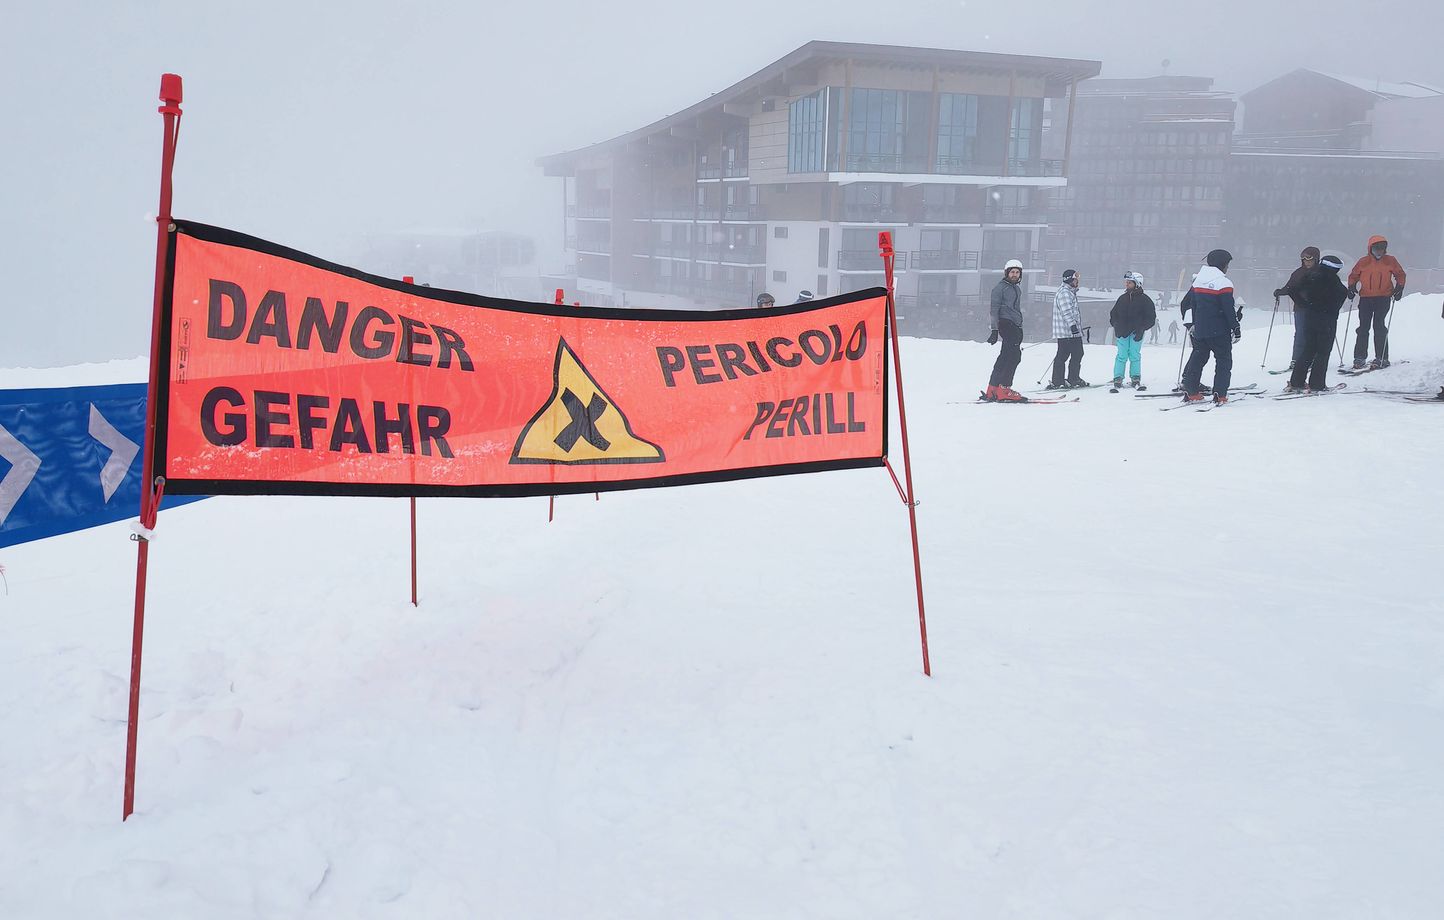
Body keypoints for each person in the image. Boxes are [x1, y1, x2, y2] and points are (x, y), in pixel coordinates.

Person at [1179, 250, 1241, 404]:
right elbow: (1228, 308)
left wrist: (1194, 324)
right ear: (1223, 264)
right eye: (1228, 264)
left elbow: (1192, 305)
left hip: (1200, 329)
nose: (1228, 267)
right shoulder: (1224, 283)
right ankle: (1220, 393)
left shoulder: (1198, 281)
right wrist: (1236, 327)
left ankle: (1191, 390)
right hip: (1219, 330)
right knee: (1223, 361)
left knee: (1198, 358)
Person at [1286, 255, 1348, 393]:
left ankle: (1296, 382)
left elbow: (1292, 290)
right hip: (1327, 321)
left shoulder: (1310, 277)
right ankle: (1317, 384)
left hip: (1310, 318)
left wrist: (1305, 305)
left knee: (1308, 350)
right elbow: (1343, 295)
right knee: (1323, 353)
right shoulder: (1335, 282)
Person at [1347, 235, 1406, 369]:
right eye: (1376, 248)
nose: (1379, 251)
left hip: (1383, 297)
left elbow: (1400, 274)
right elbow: (1354, 275)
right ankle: (1359, 357)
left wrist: (1399, 288)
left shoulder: (1390, 260)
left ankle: (1382, 357)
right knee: (1363, 328)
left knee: (1379, 326)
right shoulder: (1363, 262)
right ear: (1370, 248)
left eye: (1382, 248)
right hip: (1366, 298)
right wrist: (1351, 287)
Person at [983, 259, 1027, 402]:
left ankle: (993, 389)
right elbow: (993, 310)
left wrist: (1019, 325)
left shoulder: (1016, 288)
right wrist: (994, 330)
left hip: (1014, 325)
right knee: (1013, 357)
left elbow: (1016, 309)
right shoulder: (1000, 288)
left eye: (1017, 272)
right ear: (1007, 273)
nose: (1014, 275)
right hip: (1005, 324)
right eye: (1012, 272)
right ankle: (1004, 389)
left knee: (1004, 357)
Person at [1272, 246, 1320, 371]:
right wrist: (1280, 292)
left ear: (1316, 259)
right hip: (1301, 308)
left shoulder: (1321, 272)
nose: (1307, 262)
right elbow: (1289, 287)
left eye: (1310, 260)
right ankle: (1296, 360)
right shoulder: (1298, 273)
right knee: (1300, 334)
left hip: (1317, 310)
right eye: (1304, 260)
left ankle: (1312, 359)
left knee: (1314, 334)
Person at [1109, 271, 1156, 390]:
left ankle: (1135, 377)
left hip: (1136, 332)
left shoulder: (1145, 300)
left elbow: (1151, 318)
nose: (1127, 284)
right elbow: (1113, 314)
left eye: (1129, 283)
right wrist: (1116, 325)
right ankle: (1118, 377)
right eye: (1126, 282)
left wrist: (1142, 328)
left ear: (1137, 284)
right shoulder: (1122, 298)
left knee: (1134, 355)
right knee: (1121, 355)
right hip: (1122, 332)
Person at [1048, 269, 1088, 389]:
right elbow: (1066, 311)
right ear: (1070, 280)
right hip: (1067, 332)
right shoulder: (1065, 293)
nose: (1077, 282)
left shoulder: (1069, 292)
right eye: (1076, 279)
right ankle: (1064, 380)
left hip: (1070, 332)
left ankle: (1066, 379)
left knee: (1074, 354)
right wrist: (1073, 326)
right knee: (1069, 355)